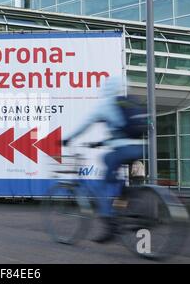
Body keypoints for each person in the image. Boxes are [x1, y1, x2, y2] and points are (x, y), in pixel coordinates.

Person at [62, 77, 145, 243]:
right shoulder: (130, 102)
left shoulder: (105, 104)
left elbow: (85, 125)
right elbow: (122, 131)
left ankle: (110, 225)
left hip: (122, 150)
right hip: (140, 147)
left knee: (104, 178)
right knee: (115, 173)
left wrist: (68, 139)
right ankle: (128, 198)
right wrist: (100, 143)